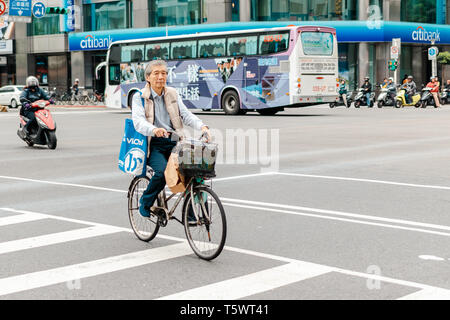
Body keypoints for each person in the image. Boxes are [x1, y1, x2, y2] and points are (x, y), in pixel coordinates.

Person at [132, 59, 211, 219]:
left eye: (164, 73)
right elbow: (138, 122)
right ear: (148, 77)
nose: (161, 77)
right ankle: (145, 203)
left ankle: (190, 214)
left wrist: (203, 127)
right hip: (154, 144)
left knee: (195, 172)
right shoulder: (139, 97)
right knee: (161, 173)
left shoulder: (172, 93)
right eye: (156, 73)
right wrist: (154, 130)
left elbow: (186, 114)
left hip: (174, 141)